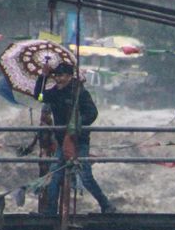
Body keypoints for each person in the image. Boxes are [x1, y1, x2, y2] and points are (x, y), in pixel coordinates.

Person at [35, 61, 115, 214]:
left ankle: (106, 205)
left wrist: (76, 124)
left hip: (79, 140)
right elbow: (39, 97)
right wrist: (43, 77)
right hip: (61, 142)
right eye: (56, 76)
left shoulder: (79, 92)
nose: (59, 79)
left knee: (85, 176)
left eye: (62, 76)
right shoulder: (54, 93)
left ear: (70, 76)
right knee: (54, 175)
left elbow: (92, 113)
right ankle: (50, 212)